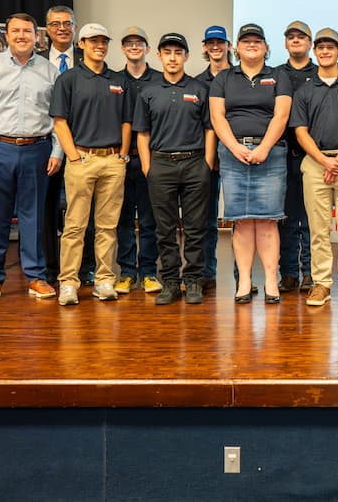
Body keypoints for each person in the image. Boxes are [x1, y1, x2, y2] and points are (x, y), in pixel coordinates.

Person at [0, 13, 62, 302]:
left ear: (37, 36)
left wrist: (57, 151)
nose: (22, 35)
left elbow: (57, 117)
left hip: (37, 149)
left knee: (34, 217)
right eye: (16, 31)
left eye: (28, 31)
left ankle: (35, 276)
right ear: (6, 36)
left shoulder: (49, 71)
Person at [50, 23, 133, 305]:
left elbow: (126, 121)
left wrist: (122, 155)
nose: (99, 45)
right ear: (81, 44)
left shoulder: (119, 80)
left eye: (103, 41)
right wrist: (73, 156)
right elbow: (59, 122)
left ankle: (104, 280)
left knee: (107, 227)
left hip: (112, 161)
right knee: (75, 227)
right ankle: (69, 283)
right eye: (93, 40)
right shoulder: (69, 79)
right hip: (81, 160)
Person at [210, 23, 291, 304]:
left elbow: (281, 116)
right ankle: (244, 280)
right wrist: (234, 148)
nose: (252, 45)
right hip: (233, 155)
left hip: (271, 153)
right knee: (241, 221)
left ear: (266, 47)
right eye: (246, 41)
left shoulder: (279, 76)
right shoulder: (223, 78)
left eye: (258, 41)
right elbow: (218, 117)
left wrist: (264, 147)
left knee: (268, 220)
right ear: (236, 48)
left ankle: (270, 280)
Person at [134, 33, 215, 305]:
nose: (172, 57)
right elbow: (142, 133)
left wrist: (207, 163)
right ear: (158, 55)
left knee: (195, 228)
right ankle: (170, 281)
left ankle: (193, 280)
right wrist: (147, 167)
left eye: (178, 52)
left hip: (194, 164)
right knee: (164, 229)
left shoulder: (200, 89)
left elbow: (209, 129)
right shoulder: (149, 91)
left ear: (186, 57)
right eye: (167, 52)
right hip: (161, 165)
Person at [290, 28, 338, 307]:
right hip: (315, 163)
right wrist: (324, 161)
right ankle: (321, 283)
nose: (324, 51)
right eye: (320, 47)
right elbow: (300, 131)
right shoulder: (305, 91)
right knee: (319, 229)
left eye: (330, 47)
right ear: (315, 52)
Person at [41, 5, 93, 286]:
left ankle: (85, 269)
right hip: (48, 150)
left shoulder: (88, 62)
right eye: (55, 23)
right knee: (47, 210)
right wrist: (56, 149)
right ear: (47, 29)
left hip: (83, 149)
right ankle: (50, 270)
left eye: (67, 23)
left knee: (84, 212)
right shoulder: (36, 63)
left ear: (75, 27)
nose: (62, 28)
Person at [115, 26, 161, 295]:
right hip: (120, 159)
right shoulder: (113, 80)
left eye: (139, 43)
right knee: (122, 220)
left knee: (148, 219)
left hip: (150, 159)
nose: (134, 47)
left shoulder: (158, 80)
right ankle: (126, 272)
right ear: (122, 48)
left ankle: (148, 272)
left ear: (148, 48)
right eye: (129, 43)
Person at [274, 20, 318, 293]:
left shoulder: (321, 72)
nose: (296, 40)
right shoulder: (277, 74)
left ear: (310, 42)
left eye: (301, 37)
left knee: (313, 219)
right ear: (285, 43)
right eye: (291, 37)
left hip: (314, 155)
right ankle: (289, 273)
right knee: (287, 219)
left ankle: (311, 273)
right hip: (284, 155)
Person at [196, 25, 235, 294]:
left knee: (240, 220)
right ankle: (207, 273)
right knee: (207, 219)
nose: (215, 47)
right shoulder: (197, 82)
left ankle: (241, 276)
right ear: (204, 47)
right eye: (211, 43)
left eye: (220, 42)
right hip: (208, 159)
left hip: (237, 157)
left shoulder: (240, 77)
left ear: (228, 46)